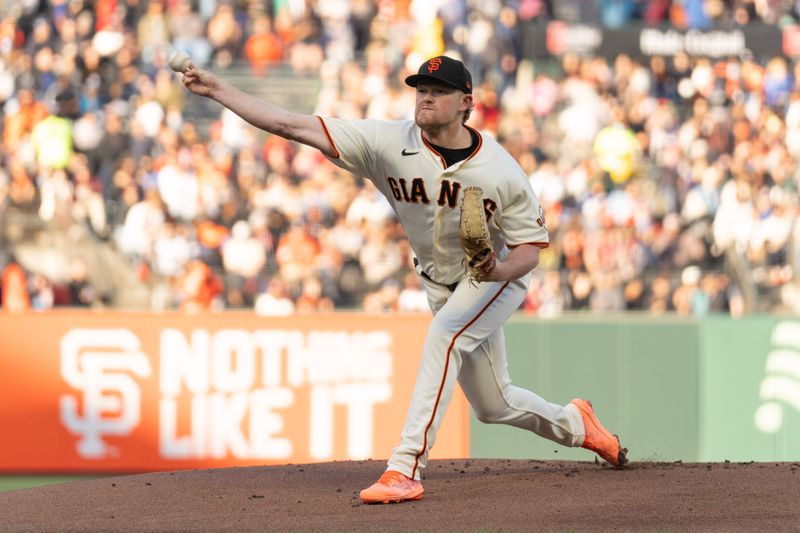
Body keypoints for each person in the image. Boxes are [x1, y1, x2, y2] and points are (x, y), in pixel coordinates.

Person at [178, 54, 628, 504]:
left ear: (466, 102)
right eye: (421, 90)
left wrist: (499, 270)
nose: (426, 98)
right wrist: (218, 90)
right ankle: (576, 423)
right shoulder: (387, 142)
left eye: (438, 92)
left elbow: (530, 248)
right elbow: (293, 126)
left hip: (492, 279)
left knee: (443, 335)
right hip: (437, 281)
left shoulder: (502, 170)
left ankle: (405, 467)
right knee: (495, 405)